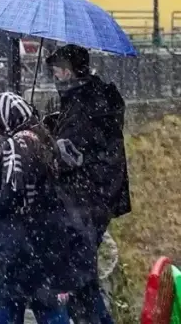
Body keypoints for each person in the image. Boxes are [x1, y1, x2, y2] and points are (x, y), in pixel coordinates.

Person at [0, 92, 95, 324]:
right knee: (48, 306)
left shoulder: (16, 145)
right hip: (46, 243)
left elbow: (12, 193)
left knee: (9, 307)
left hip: (16, 246)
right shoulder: (44, 139)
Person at [43, 44, 129, 324]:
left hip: (86, 200)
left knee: (79, 278)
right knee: (80, 277)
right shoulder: (90, 97)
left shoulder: (84, 104)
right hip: (96, 197)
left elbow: (72, 153)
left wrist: (49, 142)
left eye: (57, 70)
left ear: (68, 72)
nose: (54, 76)